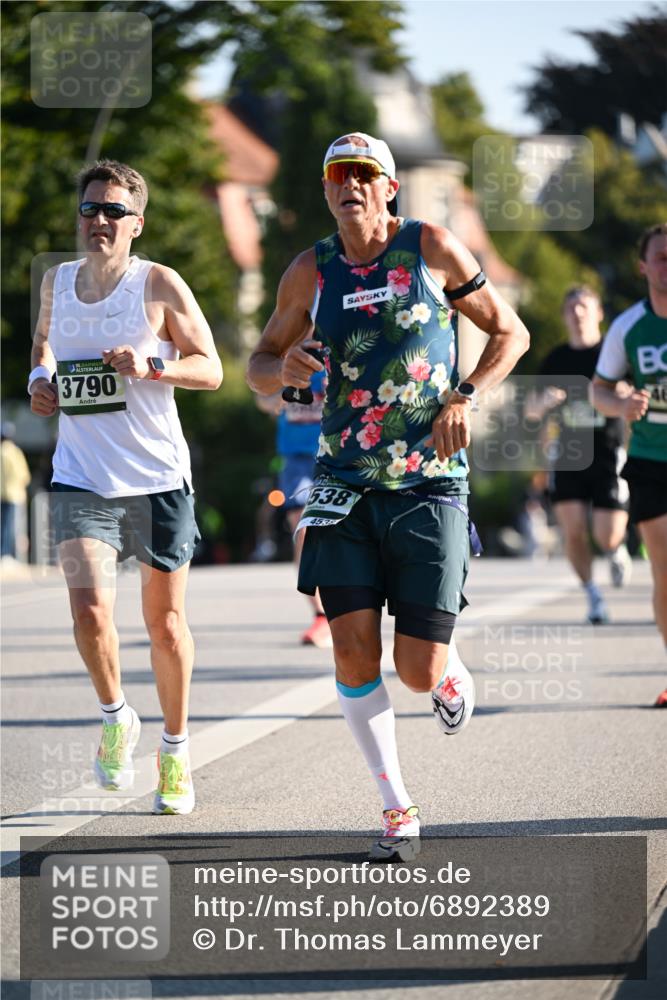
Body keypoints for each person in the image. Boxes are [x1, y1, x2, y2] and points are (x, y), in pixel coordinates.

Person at [246, 132, 530, 858]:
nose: (350, 185)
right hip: (342, 481)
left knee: (416, 672)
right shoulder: (310, 270)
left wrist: (464, 395)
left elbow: (510, 332)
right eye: (337, 173)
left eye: (363, 174)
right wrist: (284, 368)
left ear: (389, 186)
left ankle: (445, 664)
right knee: (348, 652)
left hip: (428, 481)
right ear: (325, 189)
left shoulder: (429, 246)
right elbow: (257, 366)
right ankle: (395, 805)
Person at [29, 159, 223, 813]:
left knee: (164, 626)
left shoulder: (158, 284)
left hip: (156, 478)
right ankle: (116, 718)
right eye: (91, 209)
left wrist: (152, 364)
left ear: (137, 224)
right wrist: (40, 382)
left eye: (114, 211)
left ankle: (174, 751)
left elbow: (212, 369)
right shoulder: (57, 282)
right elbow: (44, 349)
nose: (100, 221)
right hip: (80, 476)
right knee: (89, 614)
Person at [592, 223, 667, 708]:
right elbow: (598, 389)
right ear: (643, 266)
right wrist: (620, 406)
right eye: (660, 257)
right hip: (651, 461)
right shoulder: (628, 326)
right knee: (666, 571)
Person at [525, 287, 631, 624]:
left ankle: (615, 550)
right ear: (564, 316)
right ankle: (593, 596)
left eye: (584, 306)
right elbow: (530, 411)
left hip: (607, 452)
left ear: (599, 313)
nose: (578, 313)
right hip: (568, 455)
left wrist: (622, 394)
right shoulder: (555, 360)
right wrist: (544, 404)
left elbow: (633, 395)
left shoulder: (612, 354)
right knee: (572, 530)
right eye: (571, 307)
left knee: (606, 534)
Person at [256, 370, 333, 647]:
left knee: (342, 533)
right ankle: (321, 615)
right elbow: (263, 400)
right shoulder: (285, 344)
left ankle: (352, 607)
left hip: (338, 454)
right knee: (303, 530)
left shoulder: (342, 336)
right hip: (297, 460)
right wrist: (285, 394)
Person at [1, 422, 31, 560]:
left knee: (4, 526)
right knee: (11, 527)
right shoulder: (14, 451)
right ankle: (8, 555)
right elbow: (24, 475)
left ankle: (4, 554)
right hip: (14, 495)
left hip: (2, 494)